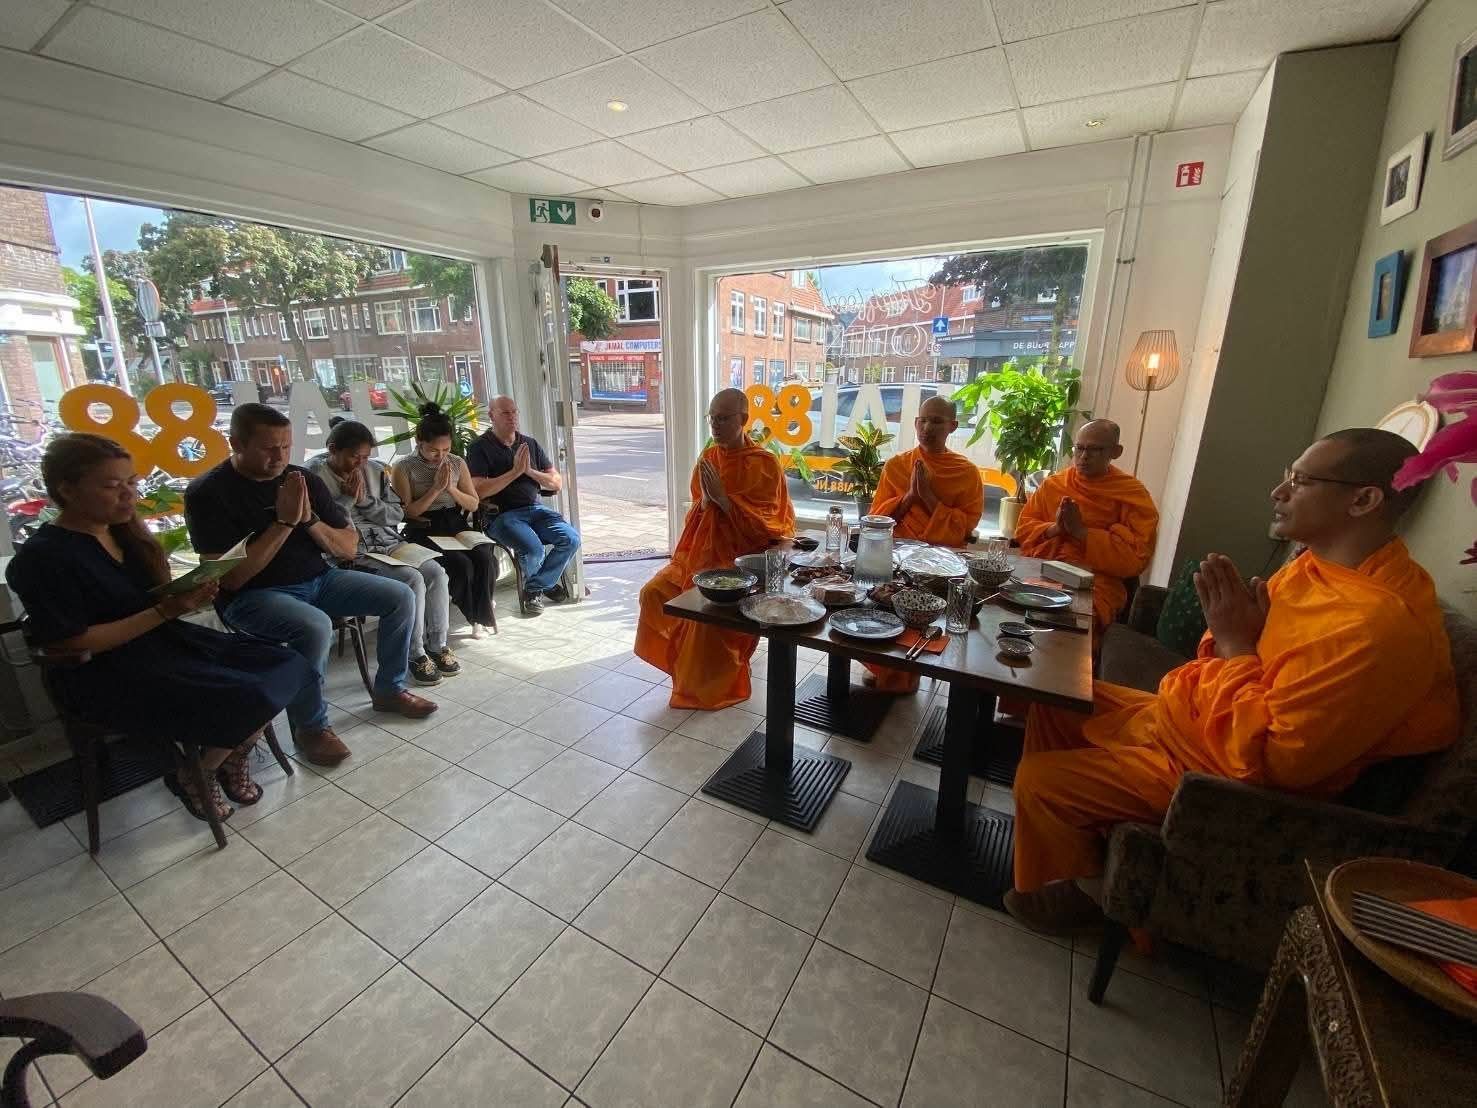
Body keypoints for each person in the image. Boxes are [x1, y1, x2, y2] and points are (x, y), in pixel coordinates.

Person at [1003, 429, 1460, 934]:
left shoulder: (1379, 626)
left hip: (1220, 769)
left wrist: (1237, 643)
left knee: (1039, 781)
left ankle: (1081, 896)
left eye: (1301, 481)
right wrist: (1233, 640)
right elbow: (1229, 653)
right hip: (1197, 717)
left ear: (1364, 500)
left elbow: (1281, 762)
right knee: (1053, 700)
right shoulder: (1315, 567)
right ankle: (1068, 853)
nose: (1278, 492)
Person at [7, 434, 315, 822]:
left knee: (286, 664)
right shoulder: (43, 557)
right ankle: (198, 774)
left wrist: (191, 593)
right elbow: (73, 640)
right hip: (103, 672)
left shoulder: (124, 533)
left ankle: (218, 759)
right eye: (112, 486)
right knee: (248, 693)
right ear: (67, 490)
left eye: (131, 483)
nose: (128, 496)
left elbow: (154, 599)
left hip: (165, 643)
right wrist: (167, 611)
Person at [184, 403, 435, 768]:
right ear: (235, 442)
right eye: (269, 448)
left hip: (320, 579)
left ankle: (389, 689)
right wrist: (284, 523)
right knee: (313, 625)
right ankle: (311, 727)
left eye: (286, 447)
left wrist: (310, 520)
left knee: (400, 593)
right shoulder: (208, 493)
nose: (280, 456)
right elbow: (231, 577)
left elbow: (347, 547)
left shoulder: (301, 479)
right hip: (254, 597)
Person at [635, 389, 795, 709]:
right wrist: (708, 502)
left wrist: (726, 501)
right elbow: (696, 510)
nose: (715, 426)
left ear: (744, 420)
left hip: (740, 564)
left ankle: (708, 686)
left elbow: (772, 526)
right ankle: (683, 670)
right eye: (712, 418)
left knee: (701, 617)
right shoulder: (708, 459)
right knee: (653, 592)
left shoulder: (764, 464)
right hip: (698, 556)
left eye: (723, 418)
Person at [307, 420, 460, 687]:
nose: (361, 463)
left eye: (366, 457)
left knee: (436, 571)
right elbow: (325, 528)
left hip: (389, 542)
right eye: (355, 456)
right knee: (411, 579)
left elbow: (396, 514)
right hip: (354, 552)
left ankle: (438, 643)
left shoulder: (375, 471)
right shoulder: (314, 478)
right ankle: (415, 654)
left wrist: (366, 501)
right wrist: (347, 501)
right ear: (333, 449)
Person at [863, 396, 985, 693]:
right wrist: (909, 497)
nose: (928, 427)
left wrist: (929, 497)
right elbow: (876, 520)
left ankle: (910, 669)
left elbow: (965, 528)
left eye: (937, 421)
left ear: (953, 426)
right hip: (899, 554)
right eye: (923, 420)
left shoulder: (966, 472)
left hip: (944, 561)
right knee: (879, 597)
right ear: (916, 423)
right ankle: (889, 670)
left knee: (927, 604)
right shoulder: (898, 465)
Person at [1014, 419, 1159, 637]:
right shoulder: (1055, 485)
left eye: (1095, 450)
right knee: (1011, 608)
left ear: (1116, 452)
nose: (1084, 456)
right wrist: (1056, 528)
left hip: (1096, 582)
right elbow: (1023, 532)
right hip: (1043, 569)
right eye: (1079, 448)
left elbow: (1136, 558)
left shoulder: (1131, 494)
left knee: (1072, 628)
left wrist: (1082, 533)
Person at [392, 404, 498, 638]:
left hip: (455, 523)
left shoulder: (457, 462)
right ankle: (477, 617)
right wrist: (435, 489)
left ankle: (482, 612)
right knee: (461, 565)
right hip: (425, 527)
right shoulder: (404, 467)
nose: (440, 456)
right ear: (419, 443)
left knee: (485, 554)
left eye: (445, 449)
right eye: (433, 451)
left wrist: (450, 488)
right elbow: (407, 512)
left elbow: (472, 503)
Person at [467, 396, 580, 616]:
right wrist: (514, 473)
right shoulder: (480, 448)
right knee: (533, 548)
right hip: (502, 516)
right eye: (505, 413)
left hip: (535, 510)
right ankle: (541, 587)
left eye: (514, 412)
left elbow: (556, 482)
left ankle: (536, 586)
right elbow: (478, 490)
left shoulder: (529, 444)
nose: (512, 417)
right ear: (492, 416)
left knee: (571, 539)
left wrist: (528, 471)